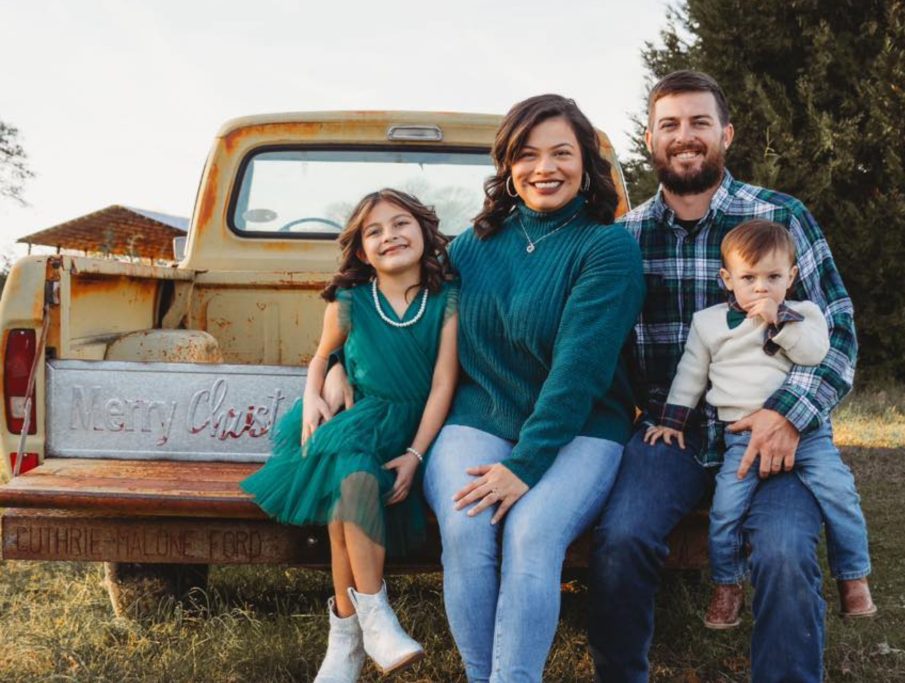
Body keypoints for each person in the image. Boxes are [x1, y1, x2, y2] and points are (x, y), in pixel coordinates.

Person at [588, 70, 859, 683]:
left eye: (699, 123)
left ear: (726, 134)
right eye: (670, 126)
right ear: (652, 141)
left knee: (787, 554)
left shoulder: (781, 218)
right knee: (621, 539)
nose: (685, 137)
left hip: (772, 426)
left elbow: (838, 331)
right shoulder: (621, 240)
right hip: (671, 429)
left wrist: (789, 414)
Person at [422, 94, 644, 682]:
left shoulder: (608, 247)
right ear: (508, 165)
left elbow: (581, 371)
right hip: (482, 415)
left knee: (531, 535)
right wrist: (338, 360)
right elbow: (405, 316)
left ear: (585, 163)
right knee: (467, 531)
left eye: (561, 154)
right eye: (527, 154)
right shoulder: (473, 245)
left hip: (582, 425)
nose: (544, 168)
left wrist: (525, 465)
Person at [241, 189, 459, 683]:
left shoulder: (446, 300)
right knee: (354, 480)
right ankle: (378, 616)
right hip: (358, 420)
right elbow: (321, 355)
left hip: (413, 427)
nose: (390, 237)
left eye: (401, 224)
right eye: (374, 232)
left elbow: (444, 382)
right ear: (361, 252)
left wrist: (415, 453)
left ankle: (345, 638)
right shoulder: (350, 301)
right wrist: (314, 393)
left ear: (424, 232)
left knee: (345, 512)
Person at [644, 219, 874, 630]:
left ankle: (853, 575)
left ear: (793, 276)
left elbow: (814, 354)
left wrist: (778, 322)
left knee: (839, 493)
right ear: (727, 279)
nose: (761, 287)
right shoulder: (709, 322)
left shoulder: (805, 314)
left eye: (773, 277)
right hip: (738, 437)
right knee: (726, 510)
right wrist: (672, 421)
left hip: (806, 433)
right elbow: (691, 374)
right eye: (748, 278)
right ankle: (727, 584)